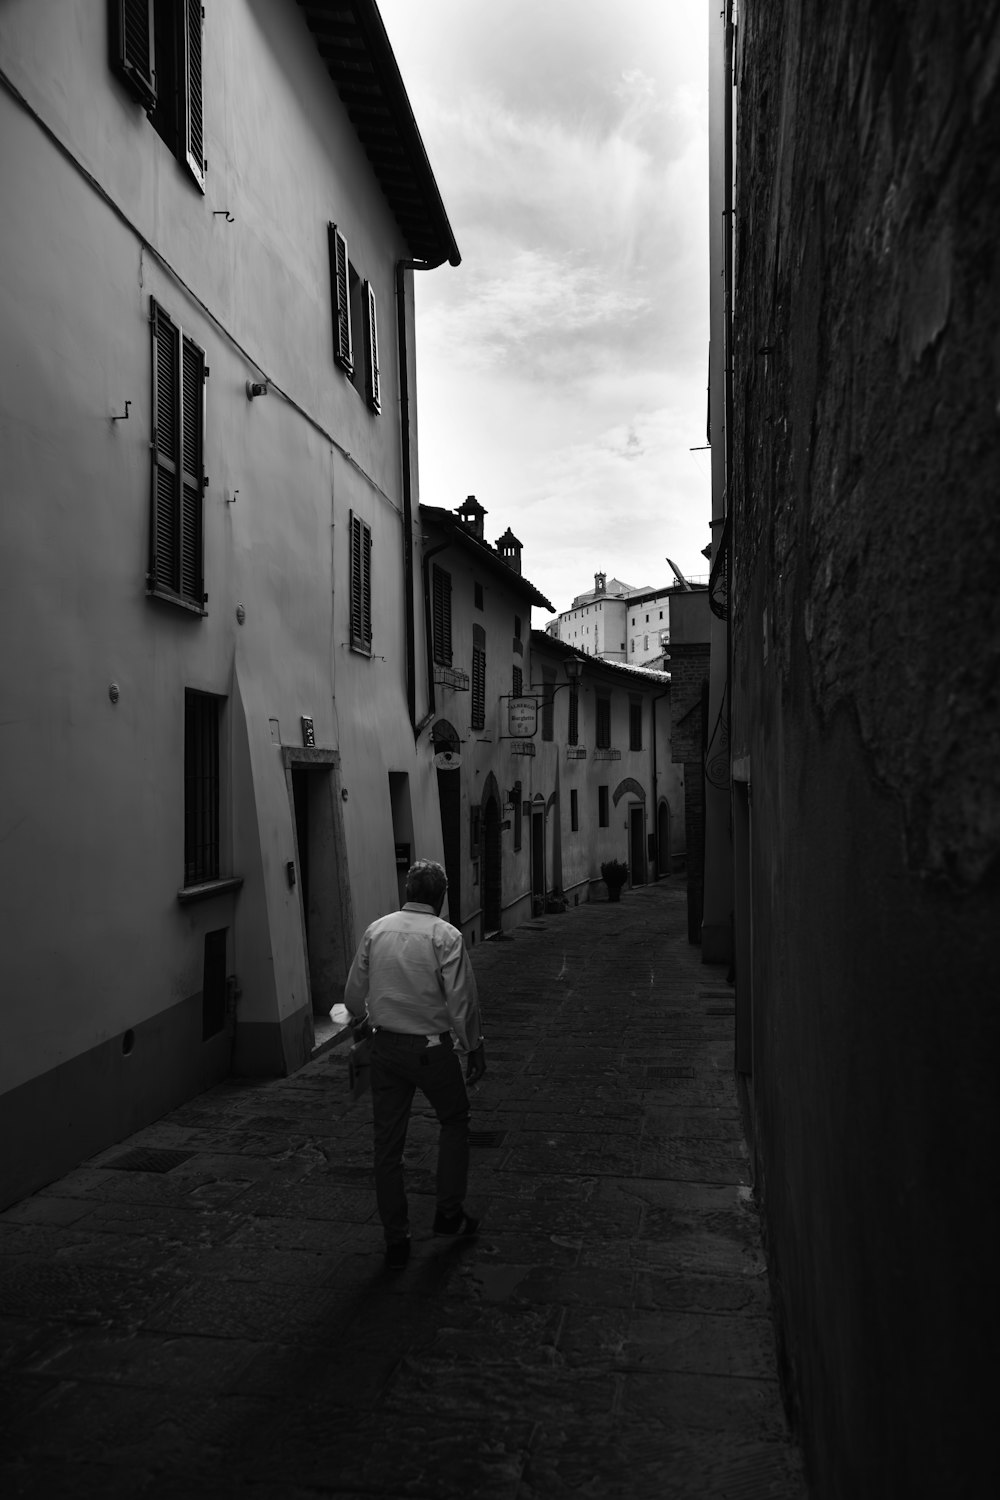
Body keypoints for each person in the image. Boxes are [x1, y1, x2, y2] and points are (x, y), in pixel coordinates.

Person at [344, 859, 486, 1268]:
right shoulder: (446, 936)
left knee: (387, 1144)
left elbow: (354, 995)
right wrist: (473, 1046)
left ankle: (396, 1235)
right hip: (432, 1050)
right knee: (455, 1119)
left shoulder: (377, 929)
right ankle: (448, 1212)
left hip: (385, 1049)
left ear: (408, 891)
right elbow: (461, 1001)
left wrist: (367, 1017)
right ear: (441, 897)